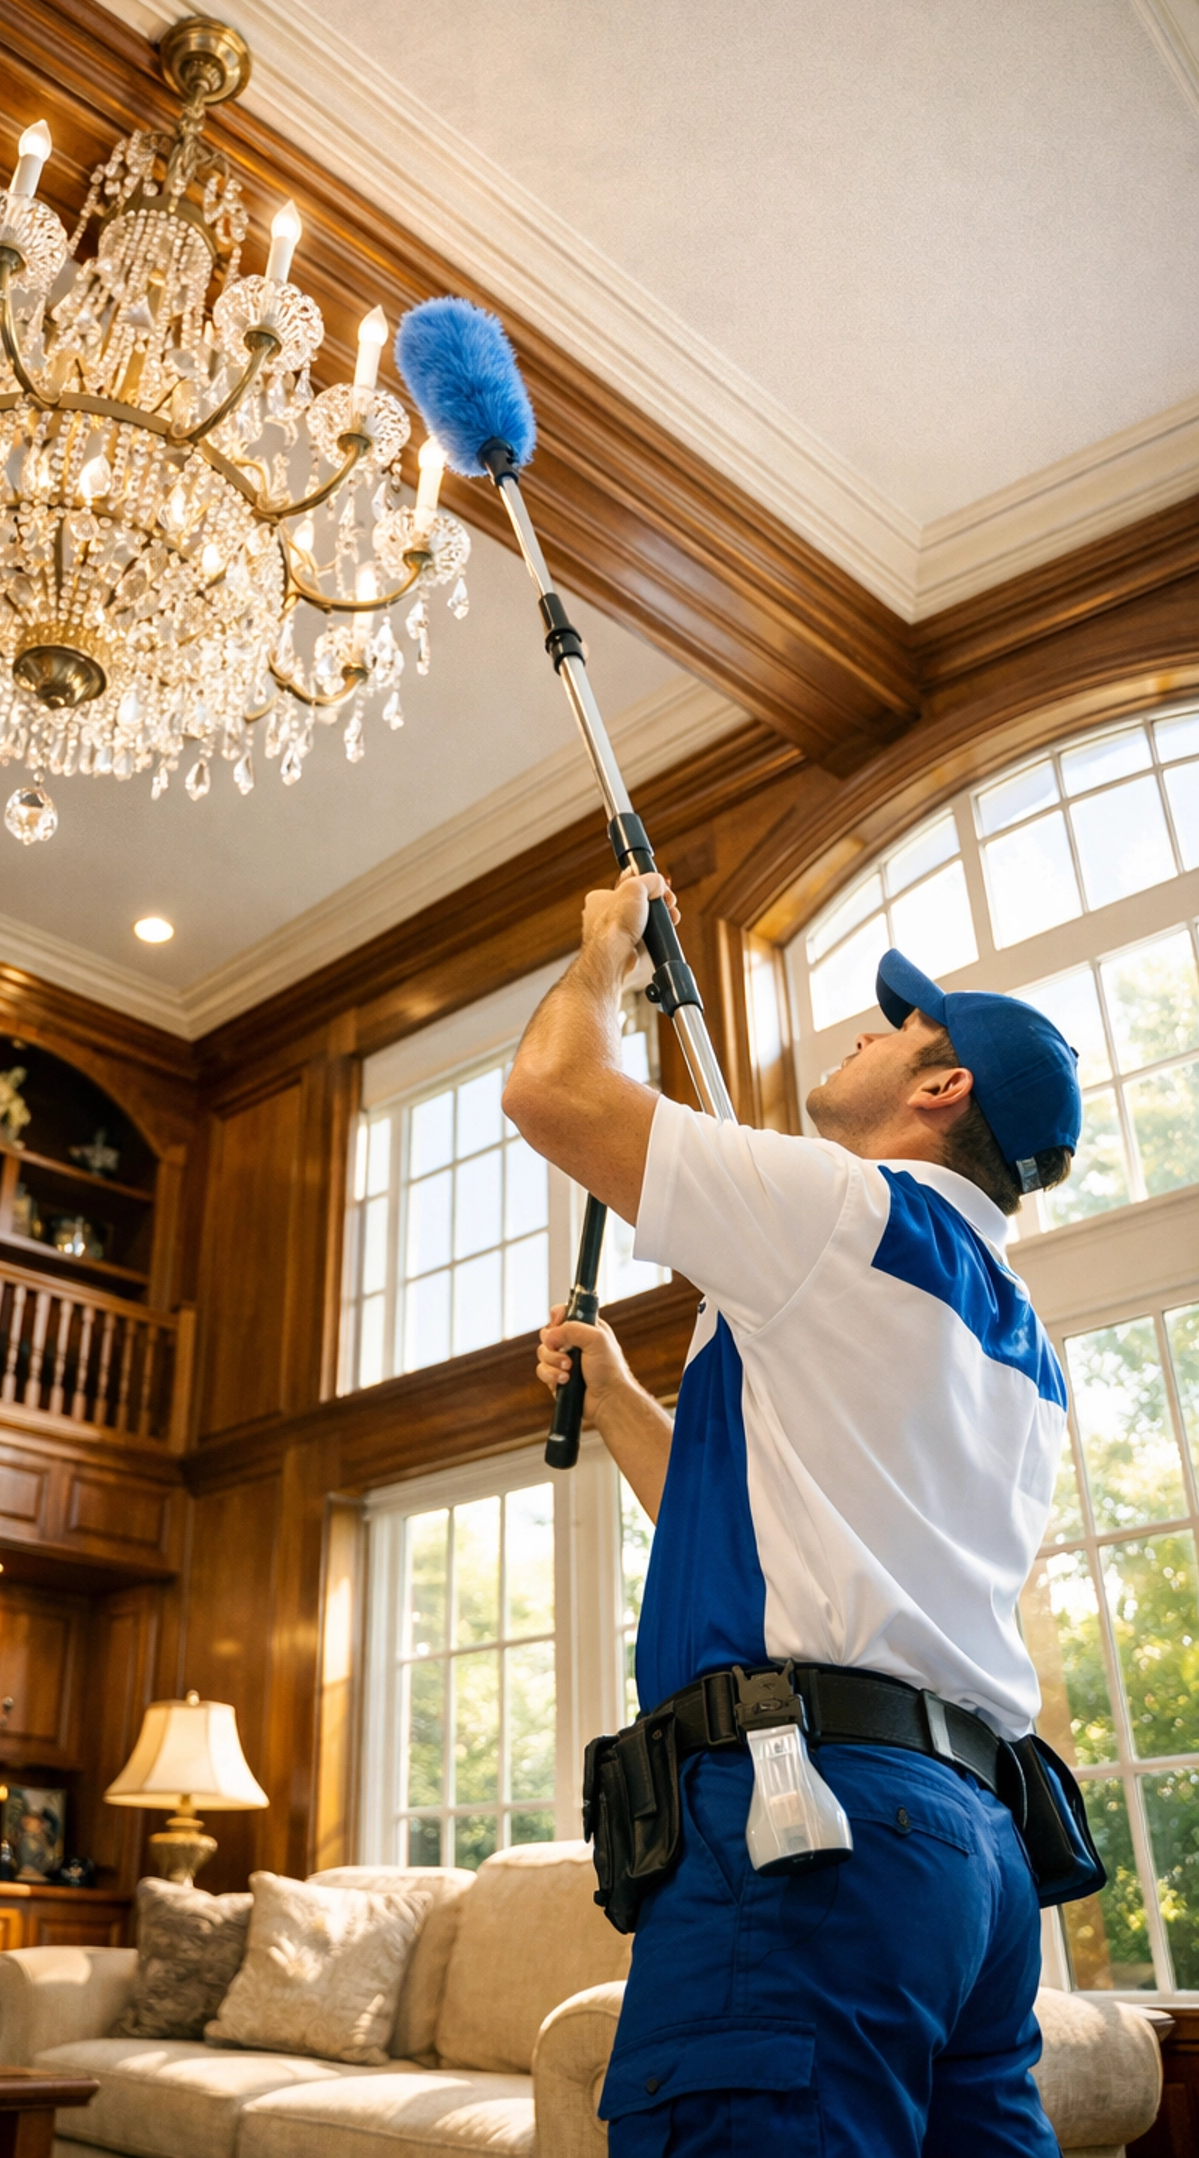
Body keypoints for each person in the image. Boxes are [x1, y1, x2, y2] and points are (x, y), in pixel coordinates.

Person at [502, 870, 1082, 2158]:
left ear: (943, 1088)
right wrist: (620, 1396)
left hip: (811, 1826)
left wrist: (604, 961)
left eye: (898, 1029)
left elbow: (552, 1090)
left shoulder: (849, 1210)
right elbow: (769, 1523)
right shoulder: (1025, 1347)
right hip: (974, 1856)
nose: (865, 1034)